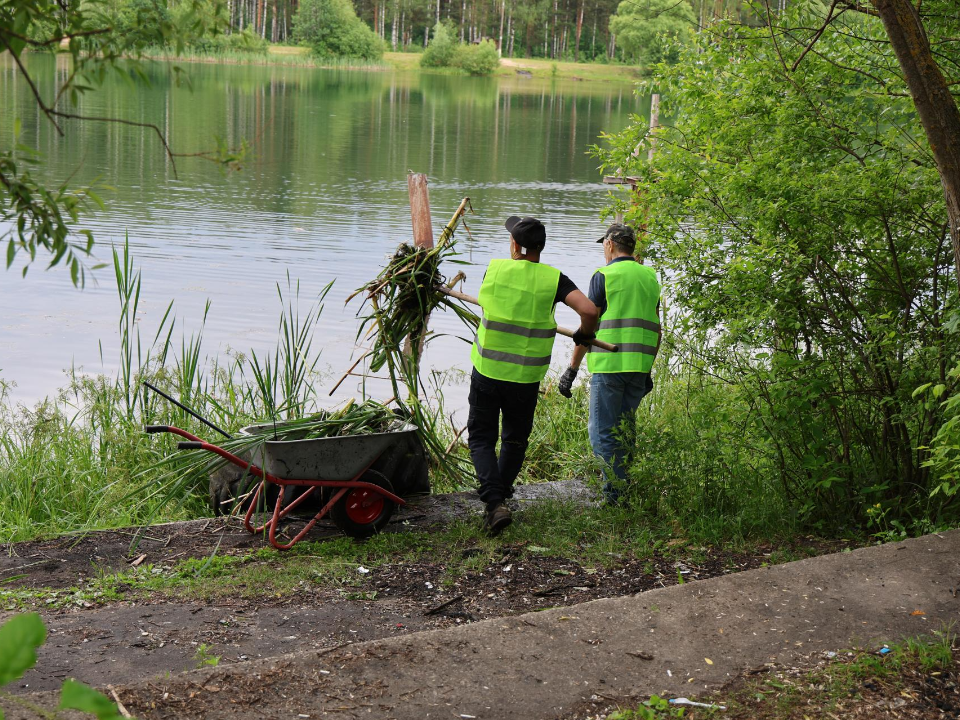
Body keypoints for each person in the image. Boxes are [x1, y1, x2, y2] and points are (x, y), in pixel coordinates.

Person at [469, 216, 599, 534]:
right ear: (540, 247)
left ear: (514, 245)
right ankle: (499, 497)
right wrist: (584, 334)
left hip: (488, 370)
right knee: (514, 439)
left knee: (481, 438)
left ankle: (494, 500)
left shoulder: (495, 269)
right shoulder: (553, 280)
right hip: (525, 377)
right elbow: (590, 310)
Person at [558, 223, 661, 504]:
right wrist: (648, 367)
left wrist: (572, 369)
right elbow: (656, 327)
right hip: (638, 366)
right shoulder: (650, 276)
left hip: (609, 367)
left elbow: (588, 324)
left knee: (603, 432)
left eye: (603, 243)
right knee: (625, 430)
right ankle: (622, 490)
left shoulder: (604, 275)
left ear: (610, 245)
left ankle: (615, 497)